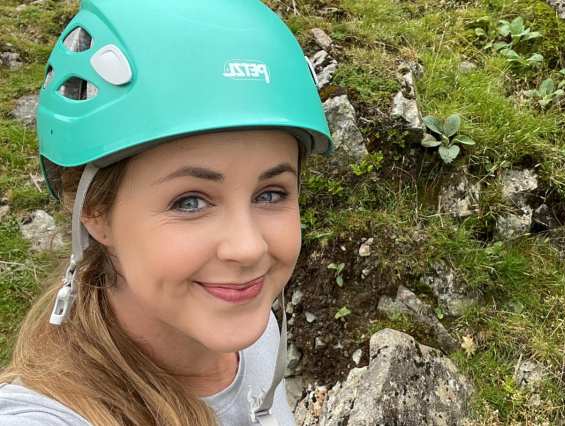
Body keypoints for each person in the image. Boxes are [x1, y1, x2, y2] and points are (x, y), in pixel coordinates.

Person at [0, 1, 332, 425]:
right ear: (95, 210)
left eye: (270, 194)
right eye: (190, 202)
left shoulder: (255, 334)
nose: (248, 248)